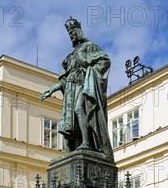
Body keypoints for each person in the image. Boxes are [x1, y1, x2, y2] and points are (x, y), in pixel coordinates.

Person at [40, 17, 113, 159]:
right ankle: (76, 144)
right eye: (69, 34)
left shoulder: (89, 47)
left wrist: (90, 71)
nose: (71, 35)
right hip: (70, 89)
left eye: (72, 32)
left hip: (83, 85)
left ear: (79, 31)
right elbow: (64, 79)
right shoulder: (69, 57)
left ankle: (86, 142)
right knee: (69, 119)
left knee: (79, 108)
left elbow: (105, 60)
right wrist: (52, 89)